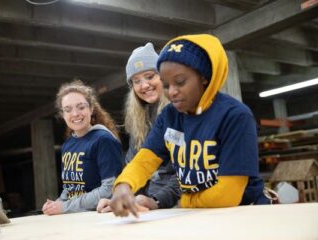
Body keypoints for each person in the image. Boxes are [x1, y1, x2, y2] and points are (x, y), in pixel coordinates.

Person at [109, 34, 270, 217]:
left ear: (203, 77)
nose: (172, 92)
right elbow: (143, 161)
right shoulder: (169, 116)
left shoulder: (235, 116)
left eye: (180, 82)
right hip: (197, 215)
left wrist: (185, 200)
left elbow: (227, 195)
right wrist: (123, 186)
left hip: (243, 213)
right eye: (166, 85)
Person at [97, 43, 181, 213]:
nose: (144, 85)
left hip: (179, 204)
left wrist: (157, 200)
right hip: (151, 206)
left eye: (150, 76)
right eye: (137, 81)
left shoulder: (180, 111)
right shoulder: (139, 121)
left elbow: (188, 171)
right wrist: (121, 197)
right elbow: (133, 165)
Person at [42, 80, 123, 215]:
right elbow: (70, 188)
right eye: (68, 109)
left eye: (81, 107)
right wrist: (56, 204)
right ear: (62, 114)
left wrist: (65, 207)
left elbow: (109, 190)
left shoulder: (104, 140)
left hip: (99, 216)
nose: (75, 114)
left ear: (91, 109)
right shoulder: (68, 145)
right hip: (76, 217)